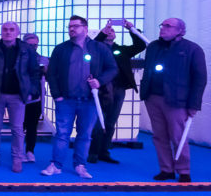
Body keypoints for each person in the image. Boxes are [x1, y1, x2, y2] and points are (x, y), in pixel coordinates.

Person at [42, 16, 117, 179]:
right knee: (62, 133)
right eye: (69, 26)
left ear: (85, 28)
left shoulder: (99, 48)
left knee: (85, 135)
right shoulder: (61, 49)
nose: (71, 29)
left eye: (75, 26)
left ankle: (80, 165)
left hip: (90, 101)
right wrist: (57, 96)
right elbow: (52, 73)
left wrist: (99, 81)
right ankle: (56, 165)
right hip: (66, 100)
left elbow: (112, 69)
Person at [140, 18, 206, 182]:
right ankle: (166, 169)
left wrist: (194, 104)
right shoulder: (153, 47)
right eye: (162, 25)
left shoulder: (192, 49)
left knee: (178, 136)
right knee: (159, 136)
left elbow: (200, 79)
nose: (163, 29)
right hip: (153, 97)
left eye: (168, 26)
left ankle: (183, 171)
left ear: (180, 30)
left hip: (177, 101)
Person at [0, 21, 41, 173]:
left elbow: (34, 72)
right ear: (1, 31)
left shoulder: (27, 50)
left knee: (17, 129)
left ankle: (17, 158)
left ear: (17, 32)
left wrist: (31, 91)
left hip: (17, 95)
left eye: (11, 29)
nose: (8, 32)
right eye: (5, 29)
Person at [89, 20, 147, 164]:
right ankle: (93, 152)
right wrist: (103, 32)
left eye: (113, 31)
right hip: (100, 89)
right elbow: (92, 45)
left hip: (119, 89)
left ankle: (104, 151)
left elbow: (141, 45)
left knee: (110, 122)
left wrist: (131, 29)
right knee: (97, 122)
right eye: (108, 31)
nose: (110, 32)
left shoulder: (122, 50)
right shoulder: (96, 48)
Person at [21, 33, 47, 163]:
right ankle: (18, 151)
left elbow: (49, 76)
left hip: (36, 98)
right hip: (19, 97)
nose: (33, 47)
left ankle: (30, 151)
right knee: (19, 126)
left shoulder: (43, 60)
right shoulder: (18, 58)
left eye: (35, 45)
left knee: (32, 126)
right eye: (30, 45)